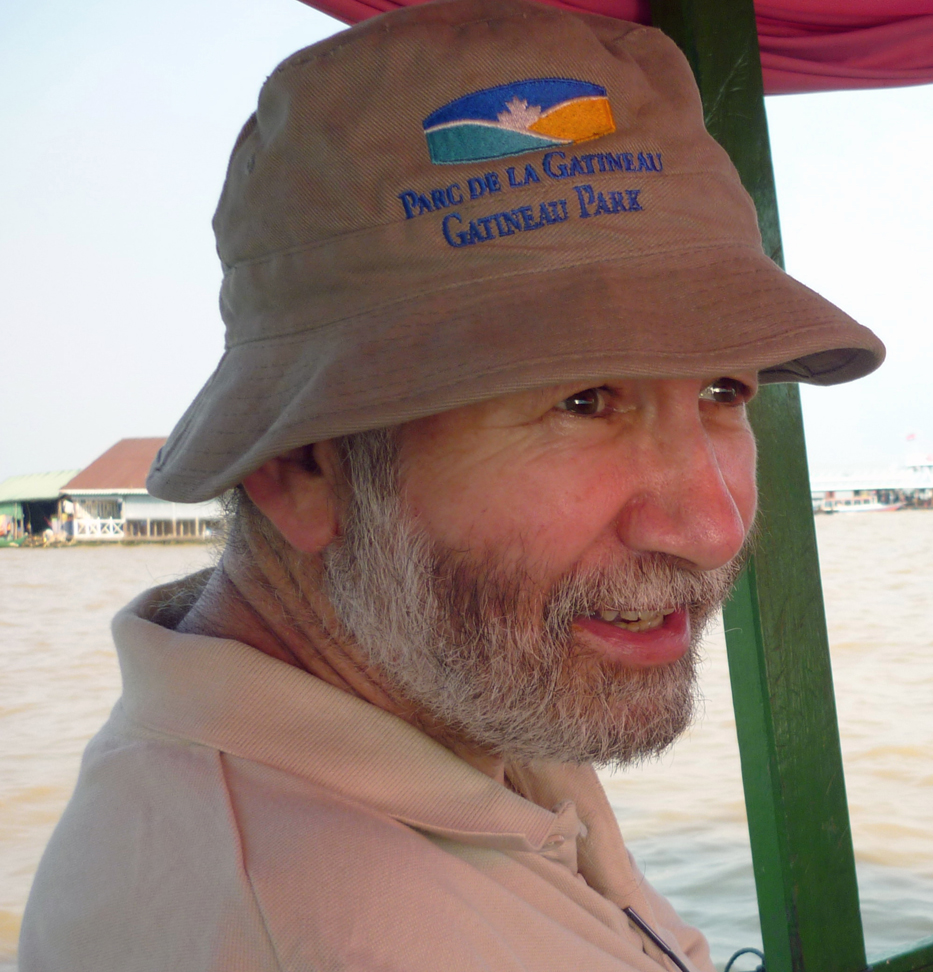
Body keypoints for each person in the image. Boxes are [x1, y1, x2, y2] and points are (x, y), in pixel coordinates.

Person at [19, 1, 884, 969]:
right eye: (584, 400)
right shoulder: (330, 924)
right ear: (301, 467)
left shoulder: (458, 689)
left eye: (723, 390)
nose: (710, 528)